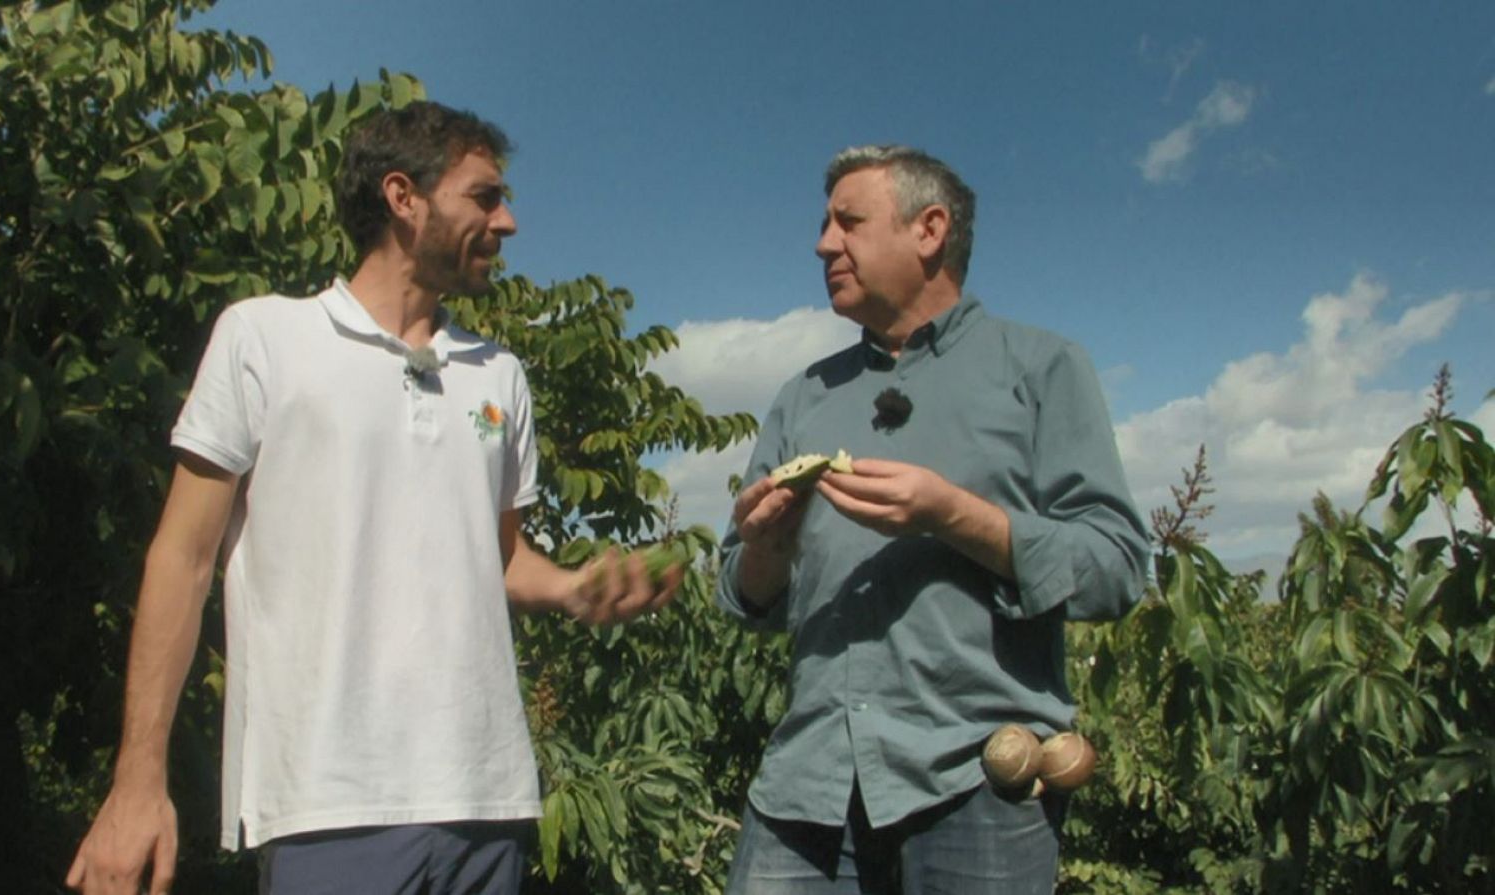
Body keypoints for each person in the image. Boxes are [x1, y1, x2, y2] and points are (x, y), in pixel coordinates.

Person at [65, 101, 680, 895]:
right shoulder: (264, 338)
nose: (510, 221)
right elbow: (181, 560)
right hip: (330, 805)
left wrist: (576, 585)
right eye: (486, 196)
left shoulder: (500, 374)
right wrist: (138, 781)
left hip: (485, 800)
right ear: (403, 196)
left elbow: (503, 559)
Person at [717, 145, 1148, 893]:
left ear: (930, 230)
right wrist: (765, 549)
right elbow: (744, 595)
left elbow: (1113, 567)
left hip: (975, 782)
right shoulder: (803, 396)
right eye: (825, 225)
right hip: (808, 783)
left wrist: (953, 515)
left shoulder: (1040, 369)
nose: (824, 243)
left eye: (848, 222)